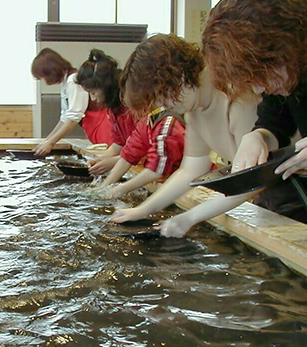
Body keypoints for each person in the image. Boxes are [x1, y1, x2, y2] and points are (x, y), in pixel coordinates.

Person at [202, 0, 307, 243]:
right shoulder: (288, 68)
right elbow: (274, 123)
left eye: (260, 75)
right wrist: (259, 137)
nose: (259, 88)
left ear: (282, 45)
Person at [110, 34, 258, 237]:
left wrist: (190, 217)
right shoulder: (193, 112)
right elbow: (190, 170)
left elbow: (251, 180)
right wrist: (142, 210)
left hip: (299, 187)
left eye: (162, 95)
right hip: (267, 190)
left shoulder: (236, 96)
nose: (164, 105)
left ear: (178, 75)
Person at [75, 49, 185, 196]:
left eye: (93, 93)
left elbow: (156, 168)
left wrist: (119, 189)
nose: (93, 99)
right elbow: (129, 152)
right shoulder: (144, 123)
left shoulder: (167, 124)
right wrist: (104, 188)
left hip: (179, 179)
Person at [31, 48, 113, 156]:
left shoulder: (73, 80)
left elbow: (74, 117)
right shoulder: (66, 82)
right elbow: (65, 117)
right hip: (94, 126)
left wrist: (51, 143)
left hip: (103, 125)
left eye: (42, 77)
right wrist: (46, 141)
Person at [75, 49, 137, 176]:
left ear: (106, 86)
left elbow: (142, 149)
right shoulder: (113, 107)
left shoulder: (131, 105)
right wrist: (100, 160)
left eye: (93, 93)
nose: (92, 99)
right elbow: (118, 144)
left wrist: (113, 162)